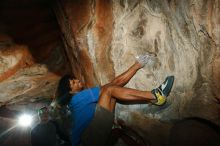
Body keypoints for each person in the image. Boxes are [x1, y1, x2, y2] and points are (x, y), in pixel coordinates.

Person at [57, 53, 175, 146]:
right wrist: (137, 65)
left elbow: (114, 85)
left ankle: (149, 99)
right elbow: (108, 88)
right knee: (109, 90)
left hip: (93, 137)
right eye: (73, 82)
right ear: (70, 92)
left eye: (74, 79)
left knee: (112, 93)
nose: (77, 80)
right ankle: (156, 96)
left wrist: (138, 65)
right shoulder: (77, 98)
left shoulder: (75, 104)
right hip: (89, 138)